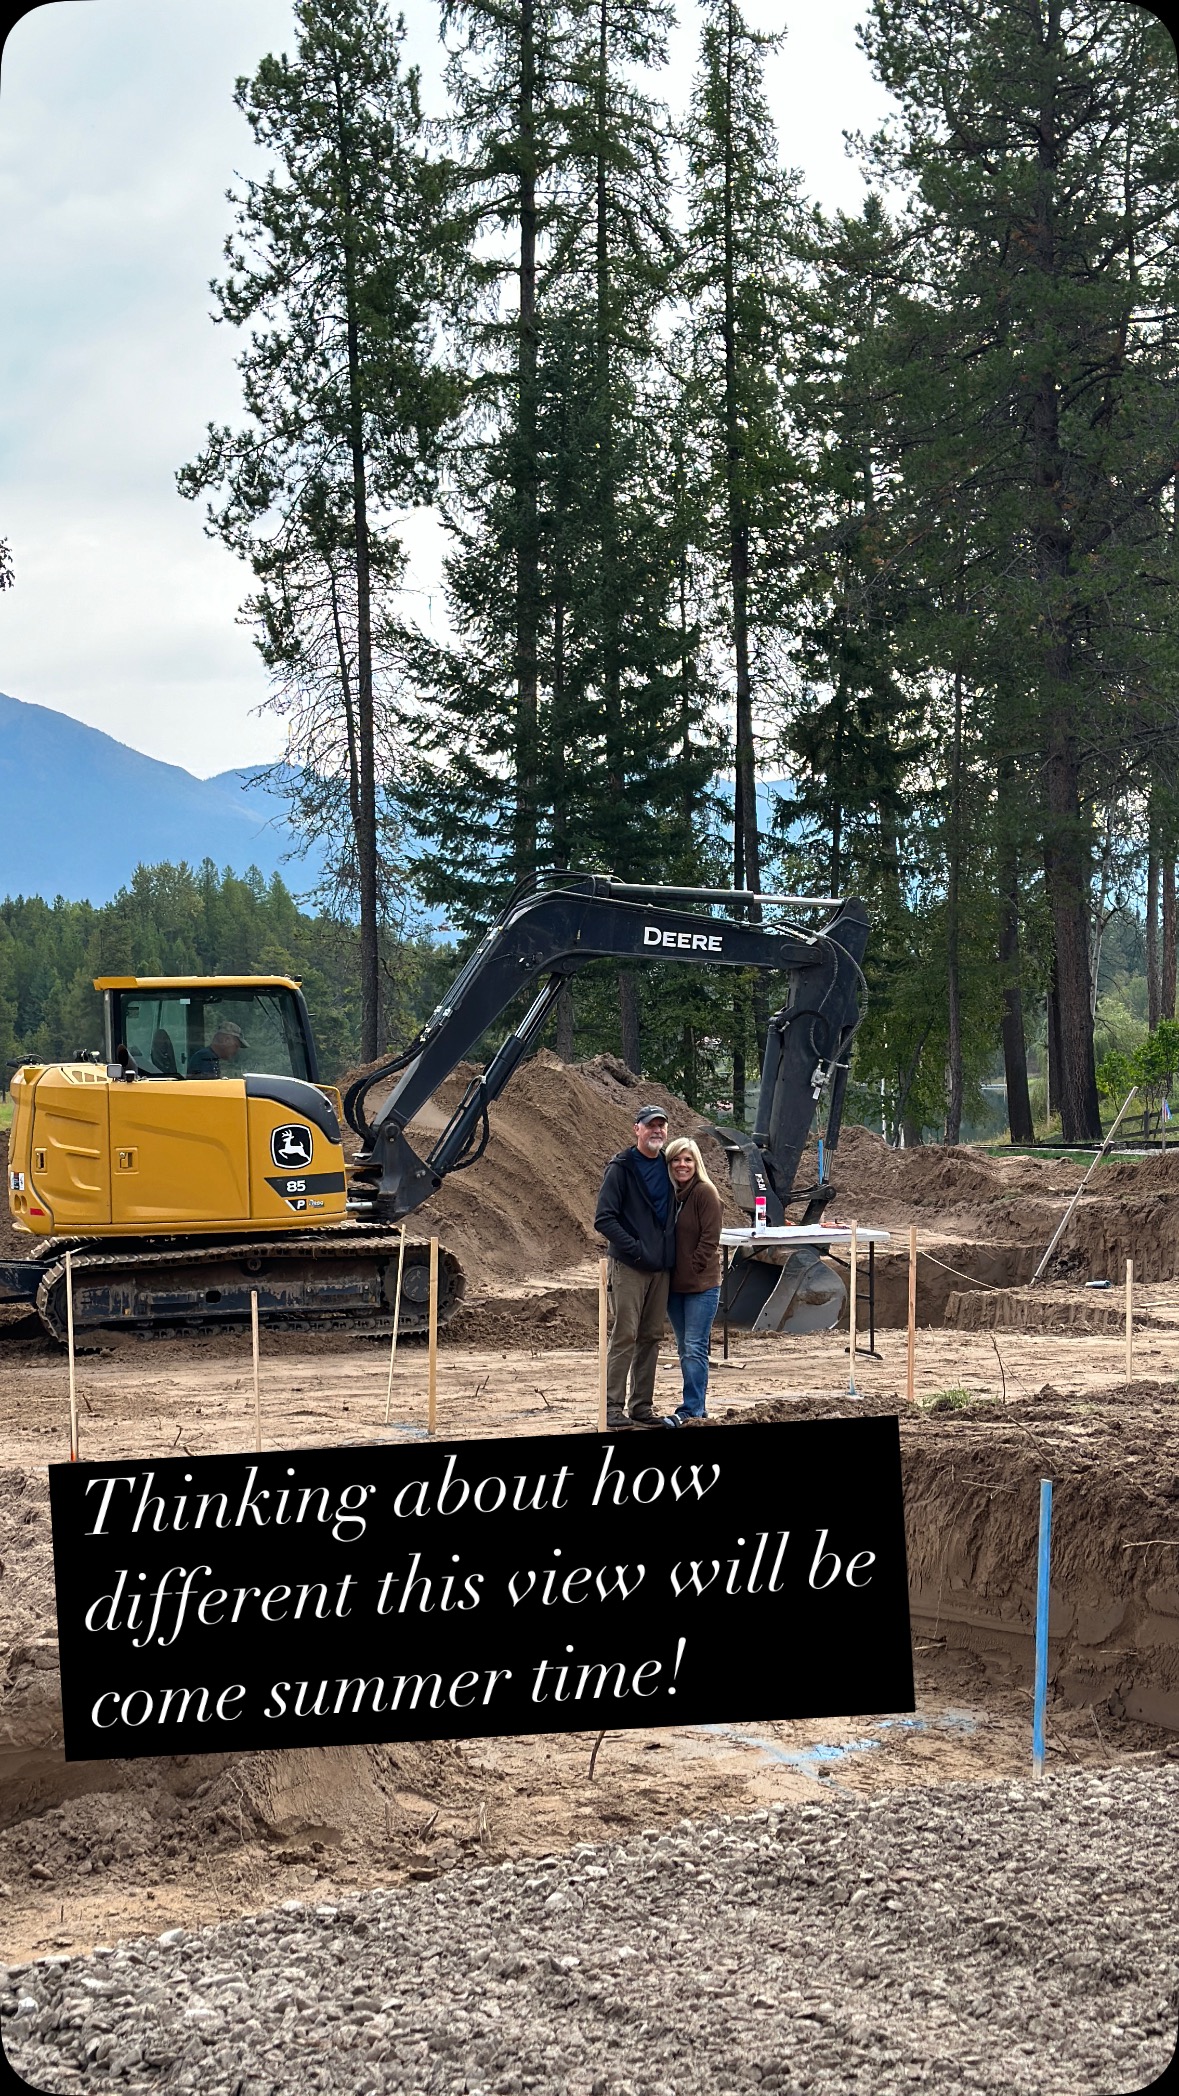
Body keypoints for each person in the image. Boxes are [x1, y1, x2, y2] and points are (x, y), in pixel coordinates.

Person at [594, 1107, 677, 1428]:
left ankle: (641, 1406)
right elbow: (604, 1218)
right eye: (650, 1126)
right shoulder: (622, 1168)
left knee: (652, 1336)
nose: (657, 1130)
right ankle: (612, 1407)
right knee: (625, 1334)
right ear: (636, 1130)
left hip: (661, 1269)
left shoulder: (670, 1165)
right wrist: (636, 1249)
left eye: (661, 1126)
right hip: (629, 1266)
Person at [661, 1136, 723, 1426]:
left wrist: (693, 1267)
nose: (681, 1165)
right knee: (685, 1349)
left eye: (687, 1159)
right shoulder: (673, 1196)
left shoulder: (704, 1193)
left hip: (701, 1286)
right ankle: (698, 1406)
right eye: (676, 1159)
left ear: (696, 1163)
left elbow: (711, 1238)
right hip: (675, 1288)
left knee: (695, 1347)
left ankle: (691, 1410)